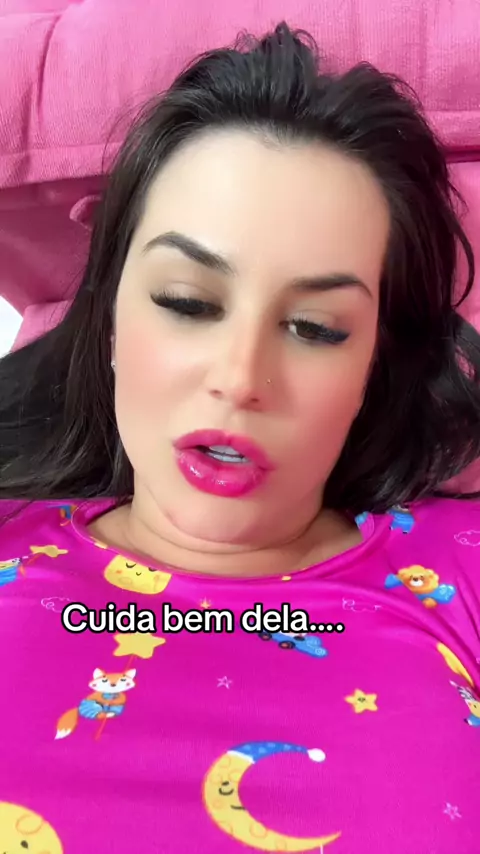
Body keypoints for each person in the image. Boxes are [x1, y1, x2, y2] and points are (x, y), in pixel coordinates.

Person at [0, 21, 479, 854]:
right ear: (110, 319)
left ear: (373, 365)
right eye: (187, 302)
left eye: (315, 327)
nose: (241, 376)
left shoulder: (462, 572)